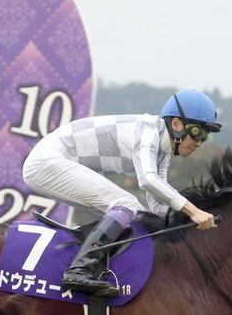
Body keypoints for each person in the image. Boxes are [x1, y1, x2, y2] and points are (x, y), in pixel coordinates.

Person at [22, 89, 221, 296]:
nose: (200, 142)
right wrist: (192, 210)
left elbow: (157, 204)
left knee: (137, 212)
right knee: (126, 203)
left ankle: (96, 265)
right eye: (198, 132)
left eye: (205, 136)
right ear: (177, 124)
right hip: (48, 160)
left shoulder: (163, 152)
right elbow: (148, 179)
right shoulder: (148, 132)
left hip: (53, 162)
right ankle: (80, 269)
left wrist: (185, 224)